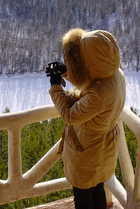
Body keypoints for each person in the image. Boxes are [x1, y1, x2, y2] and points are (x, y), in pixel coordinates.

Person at [46, 28, 126, 209]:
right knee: (98, 190)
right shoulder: (116, 75)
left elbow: (69, 115)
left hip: (87, 151)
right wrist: (67, 72)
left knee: (83, 201)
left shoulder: (98, 95)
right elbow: (92, 79)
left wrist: (55, 85)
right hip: (104, 147)